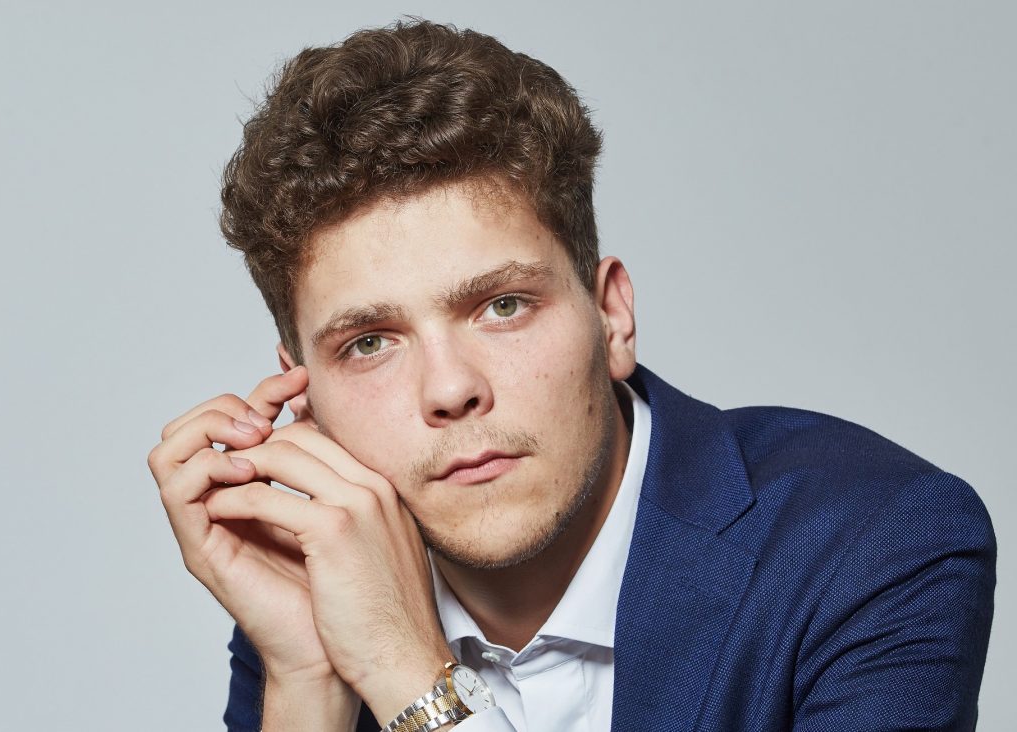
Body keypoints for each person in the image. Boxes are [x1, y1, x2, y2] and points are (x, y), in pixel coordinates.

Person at [147, 19, 996, 732]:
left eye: (502, 305)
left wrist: (410, 675)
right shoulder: (324, 596)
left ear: (611, 316)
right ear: (303, 397)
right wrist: (306, 680)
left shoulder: (876, 543)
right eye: (369, 343)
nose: (450, 390)